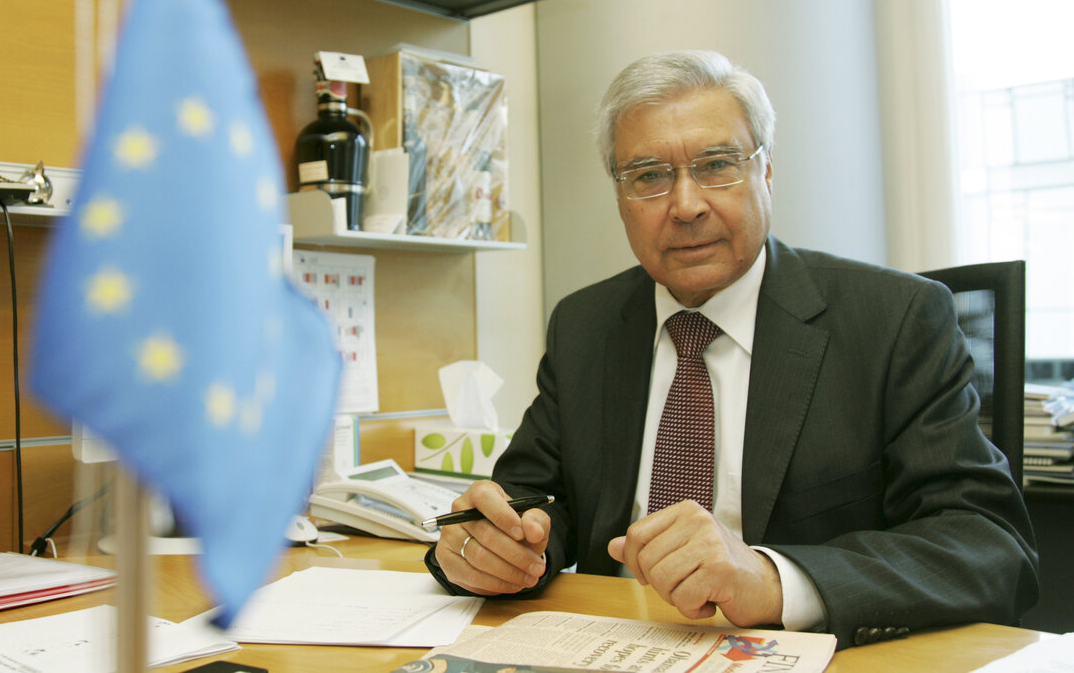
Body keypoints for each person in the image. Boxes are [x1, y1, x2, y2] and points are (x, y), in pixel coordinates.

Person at [425, 50, 1038, 650]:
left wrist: (772, 580)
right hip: (604, 646)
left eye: (718, 165)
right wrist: (496, 544)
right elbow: (537, 500)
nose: (686, 205)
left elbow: (987, 546)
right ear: (619, 197)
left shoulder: (894, 319)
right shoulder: (586, 324)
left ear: (766, 172)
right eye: (648, 176)